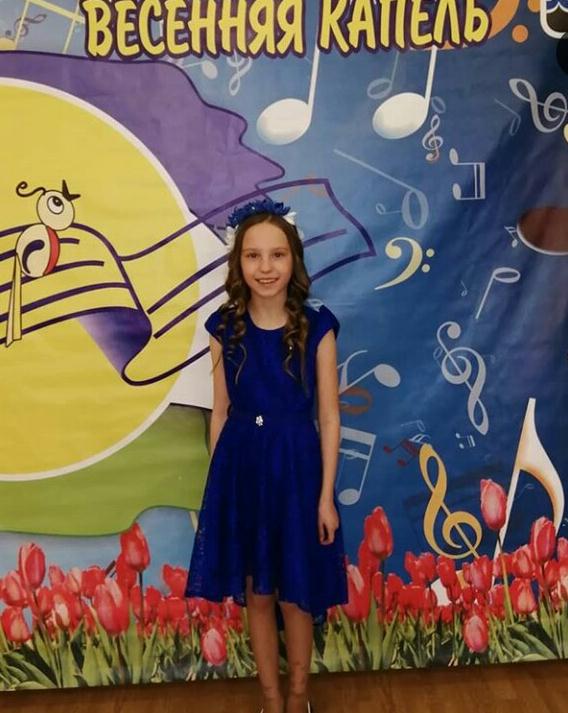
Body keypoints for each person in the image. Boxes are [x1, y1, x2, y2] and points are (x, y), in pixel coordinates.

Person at [185, 198, 348, 713]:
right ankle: (271, 700)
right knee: (257, 593)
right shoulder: (224, 328)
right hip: (244, 471)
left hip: (297, 472)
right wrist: (220, 496)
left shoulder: (318, 328)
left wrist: (325, 498)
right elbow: (219, 413)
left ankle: (299, 696)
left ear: (293, 259)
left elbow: (330, 418)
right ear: (238, 263)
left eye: (277, 255)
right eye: (253, 256)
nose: (266, 267)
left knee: (296, 593)